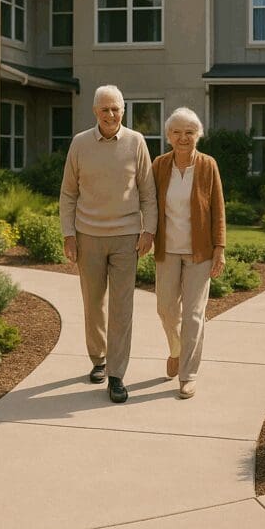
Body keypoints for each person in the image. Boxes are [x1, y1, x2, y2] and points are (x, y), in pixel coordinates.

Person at [59, 84, 156, 404]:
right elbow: (69, 194)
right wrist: (69, 235)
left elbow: (148, 192)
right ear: (95, 112)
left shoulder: (136, 142)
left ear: (123, 111)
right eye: (105, 109)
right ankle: (98, 358)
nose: (111, 114)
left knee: (122, 308)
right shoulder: (80, 144)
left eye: (116, 109)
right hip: (88, 236)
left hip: (127, 237)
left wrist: (149, 231)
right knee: (93, 304)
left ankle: (116, 374)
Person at [151, 107, 226, 399]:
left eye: (190, 132)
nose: (183, 138)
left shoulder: (208, 166)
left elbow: (218, 209)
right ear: (169, 135)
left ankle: (188, 375)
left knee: (194, 314)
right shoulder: (159, 165)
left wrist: (219, 249)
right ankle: (176, 350)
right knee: (165, 308)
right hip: (167, 249)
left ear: (198, 136)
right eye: (177, 132)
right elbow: (148, 202)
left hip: (200, 252)